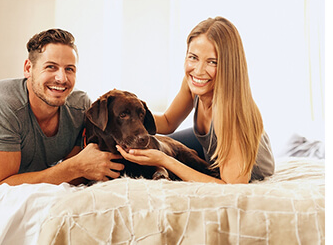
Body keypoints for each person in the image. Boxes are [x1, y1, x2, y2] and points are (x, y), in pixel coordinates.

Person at [117, 16, 275, 184]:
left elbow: (230, 186)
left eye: (212, 62)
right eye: (193, 57)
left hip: (248, 167)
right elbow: (168, 121)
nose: (198, 71)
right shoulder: (193, 83)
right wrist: (128, 114)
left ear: (228, 67)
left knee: (161, 153)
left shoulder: (231, 115)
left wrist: (164, 160)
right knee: (153, 144)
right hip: (208, 147)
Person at [0, 28, 124, 185]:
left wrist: (74, 169)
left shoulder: (80, 106)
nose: (62, 78)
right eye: (51, 67)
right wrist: (74, 168)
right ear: (28, 69)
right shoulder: (1, 105)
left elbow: (81, 173)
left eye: (69, 69)